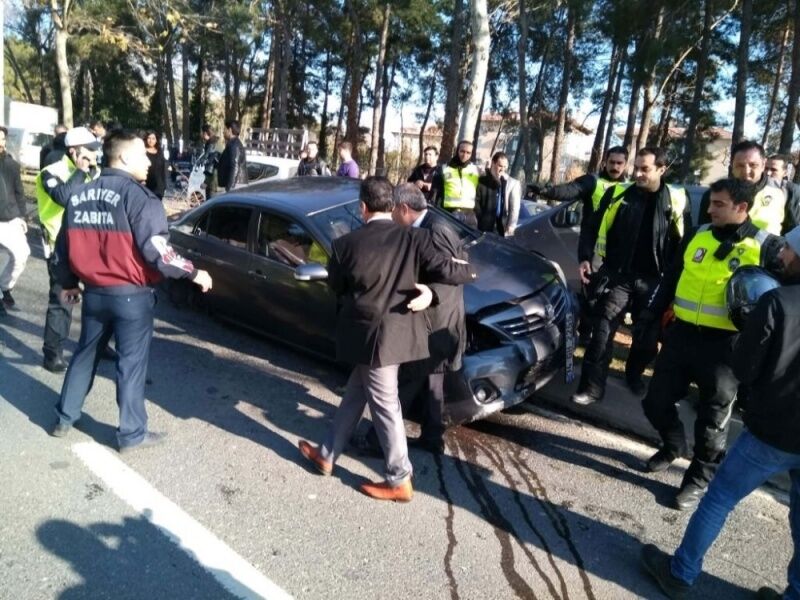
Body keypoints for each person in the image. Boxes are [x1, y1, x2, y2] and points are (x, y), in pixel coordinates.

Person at [641, 226, 800, 600]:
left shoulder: (777, 302)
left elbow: (744, 369)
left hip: (772, 432)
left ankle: (680, 573)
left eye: (791, 252)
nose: (784, 257)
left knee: (719, 498)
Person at [297, 177, 476, 502]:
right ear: (391, 206)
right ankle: (326, 454)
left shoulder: (344, 244)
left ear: (362, 207)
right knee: (355, 394)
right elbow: (458, 273)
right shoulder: (416, 238)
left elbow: (336, 287)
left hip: (367, 338)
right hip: (399, 337)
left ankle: (398, 477)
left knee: (385, 405)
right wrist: (433, 291)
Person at [49, 130, 213, 452]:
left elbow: (62, 249)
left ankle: (64, 417)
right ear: (123, 157)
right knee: (131, 365)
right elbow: (157, 250)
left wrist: (67, 283)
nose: (149, 161)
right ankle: (131, 434)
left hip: (94, 294)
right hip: (131, 297)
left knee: (85, 354)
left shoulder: (79, 194)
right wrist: (194, 272)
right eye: (142, 154)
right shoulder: (139, 199)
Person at [639, 178, 784, 511]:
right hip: (682, 336)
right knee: (655, 402)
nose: (710, 209)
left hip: (726, 348)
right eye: (711, 202)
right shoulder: (698, 234)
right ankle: (673, 444)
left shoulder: (766, 247)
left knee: (712, 420)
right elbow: (672, 277)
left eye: (719, 204)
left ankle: (697, 480)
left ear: (742, 208)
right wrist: (651, 312)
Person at [572, 147, 689, 404]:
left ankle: (634, 375)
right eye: (636, 167)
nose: (637, 173)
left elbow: (685, 245)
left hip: (653, 281)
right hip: (618, 276)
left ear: (661, 169)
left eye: (644, 169)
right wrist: (584, 257)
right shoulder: (618, 193)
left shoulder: (677, 199)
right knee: (602, 331)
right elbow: (591, 226)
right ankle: (591, 388)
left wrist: (674, 283)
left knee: (646, 339)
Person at [390, 183, 468, 453]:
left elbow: (455, 272)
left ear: (404, 208)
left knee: (407, 379)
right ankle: (433, 438)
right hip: (437, 318)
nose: (391, 217)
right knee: (433, 378)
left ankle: (379, 441)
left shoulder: (435, 229)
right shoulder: (432, 224)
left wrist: (431, 293)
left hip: (436, 319)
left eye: (392, 211)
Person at [530, 145, 630, 345]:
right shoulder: (593, 182)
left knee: (610, 298)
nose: (615, 167)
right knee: (589, 295)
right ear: (605, 162)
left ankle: (598, 336)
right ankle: (584, 334)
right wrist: (545, 190)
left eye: (620, 163)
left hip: (618, 253)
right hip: (593, 252)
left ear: (625, 164)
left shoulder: (630, 189)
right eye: (612, 162)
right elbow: (569, 190)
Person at [36, 127, 102, 372]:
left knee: (99, 298)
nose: (95, 154)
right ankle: (52, 353)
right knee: (64, 301)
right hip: (61, 249)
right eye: (90, 149)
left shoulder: (96, 173)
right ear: (74, 151)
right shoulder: (50, 172)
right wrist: (81, 171)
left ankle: (99, 344)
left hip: (92, 247)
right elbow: (64, 197)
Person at [698, 140, 786, 235]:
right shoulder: (714, 195)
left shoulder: (782, 192)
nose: (746, 171)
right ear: (732, 165)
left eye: (753, 165)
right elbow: (703, 232)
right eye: (740, 165)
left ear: (763, 164)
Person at [0, 126, 29, 315]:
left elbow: (19, 191)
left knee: (22, 255)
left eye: (2, 139)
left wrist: (22, 216)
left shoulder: (11, 165)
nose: (0, 143)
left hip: (9, 219)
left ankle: (4, 286)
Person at [473, 151, 521, 237]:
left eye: (505, 166)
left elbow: (514, 208)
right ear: (493, 163)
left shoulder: (512, 183)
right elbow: (477, 202)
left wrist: (511, 225)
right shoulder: (482, 180)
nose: (502, 169)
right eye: (500, 166)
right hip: (483, 224)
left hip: (501, 225)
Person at [437, 140, 481, 227]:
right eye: (462, 151)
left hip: (469, 214)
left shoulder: (476, 170)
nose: (465, 155)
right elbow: (437, 192)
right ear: (457, 151)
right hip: (448, 212)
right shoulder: (445, 168)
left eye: (468, 153)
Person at [766, 153, 800, 233]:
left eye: (774, 170)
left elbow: (794, 223)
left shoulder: (792, 191)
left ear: (784, 172)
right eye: (766, 168)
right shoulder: (755, 188)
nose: (768, 173)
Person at [217, 119, 248, 192]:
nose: (223, 132)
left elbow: (235, 166)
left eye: (225, 129)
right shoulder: (232, 144)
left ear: (230, 130)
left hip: (236, 186)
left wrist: (230, 188)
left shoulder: (234, 145)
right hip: (235, 185)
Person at [143, 131, 168, 200]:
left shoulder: (160, 151)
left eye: (153, 138)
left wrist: (164, 185)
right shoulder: (142, 151)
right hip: (146, 184)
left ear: (156, 140)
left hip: (158, 186)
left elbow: (163, 169)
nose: (151, 141)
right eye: (149, 138)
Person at [200, 123, 222, 198]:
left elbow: (211, 165)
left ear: (205, 133)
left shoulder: (212, 144)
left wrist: (206, 182)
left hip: (213, 183)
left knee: (211, 205)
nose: (201, 135)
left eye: (201, 132)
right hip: (216, 182)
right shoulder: (215, 142)